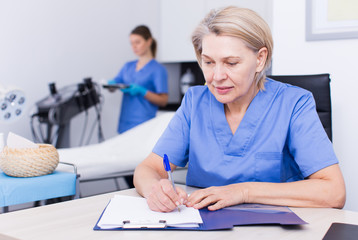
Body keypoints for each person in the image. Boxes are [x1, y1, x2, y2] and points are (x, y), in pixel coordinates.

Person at [133, 6, 346, 212]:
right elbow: (149, 168)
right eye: (208, 62)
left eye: (231, 63)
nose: (217, 76)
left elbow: (333, 192)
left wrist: (243, 192)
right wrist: (155, 190)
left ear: (260, 59)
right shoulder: (195, 102)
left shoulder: (293, 104)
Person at [108, 25, 168, 134]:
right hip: (125, 124)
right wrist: (111, 85)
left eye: (137, 42)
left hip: (144, 124)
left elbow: (163, 100)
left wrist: (142, 91)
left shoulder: (158, 69)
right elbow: (116, 82)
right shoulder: (127, 66)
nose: (134, 46)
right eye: (131, 43)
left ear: (149, 41)